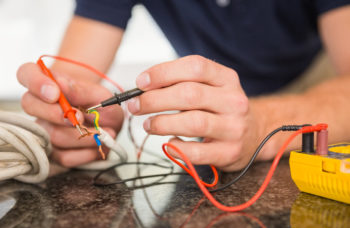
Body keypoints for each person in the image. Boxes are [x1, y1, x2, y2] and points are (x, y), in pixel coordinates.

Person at [16, 1, 350, 171]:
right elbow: (71, 86)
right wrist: (76, 118)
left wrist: (261, 126)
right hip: (215, 110)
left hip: (316, 89)